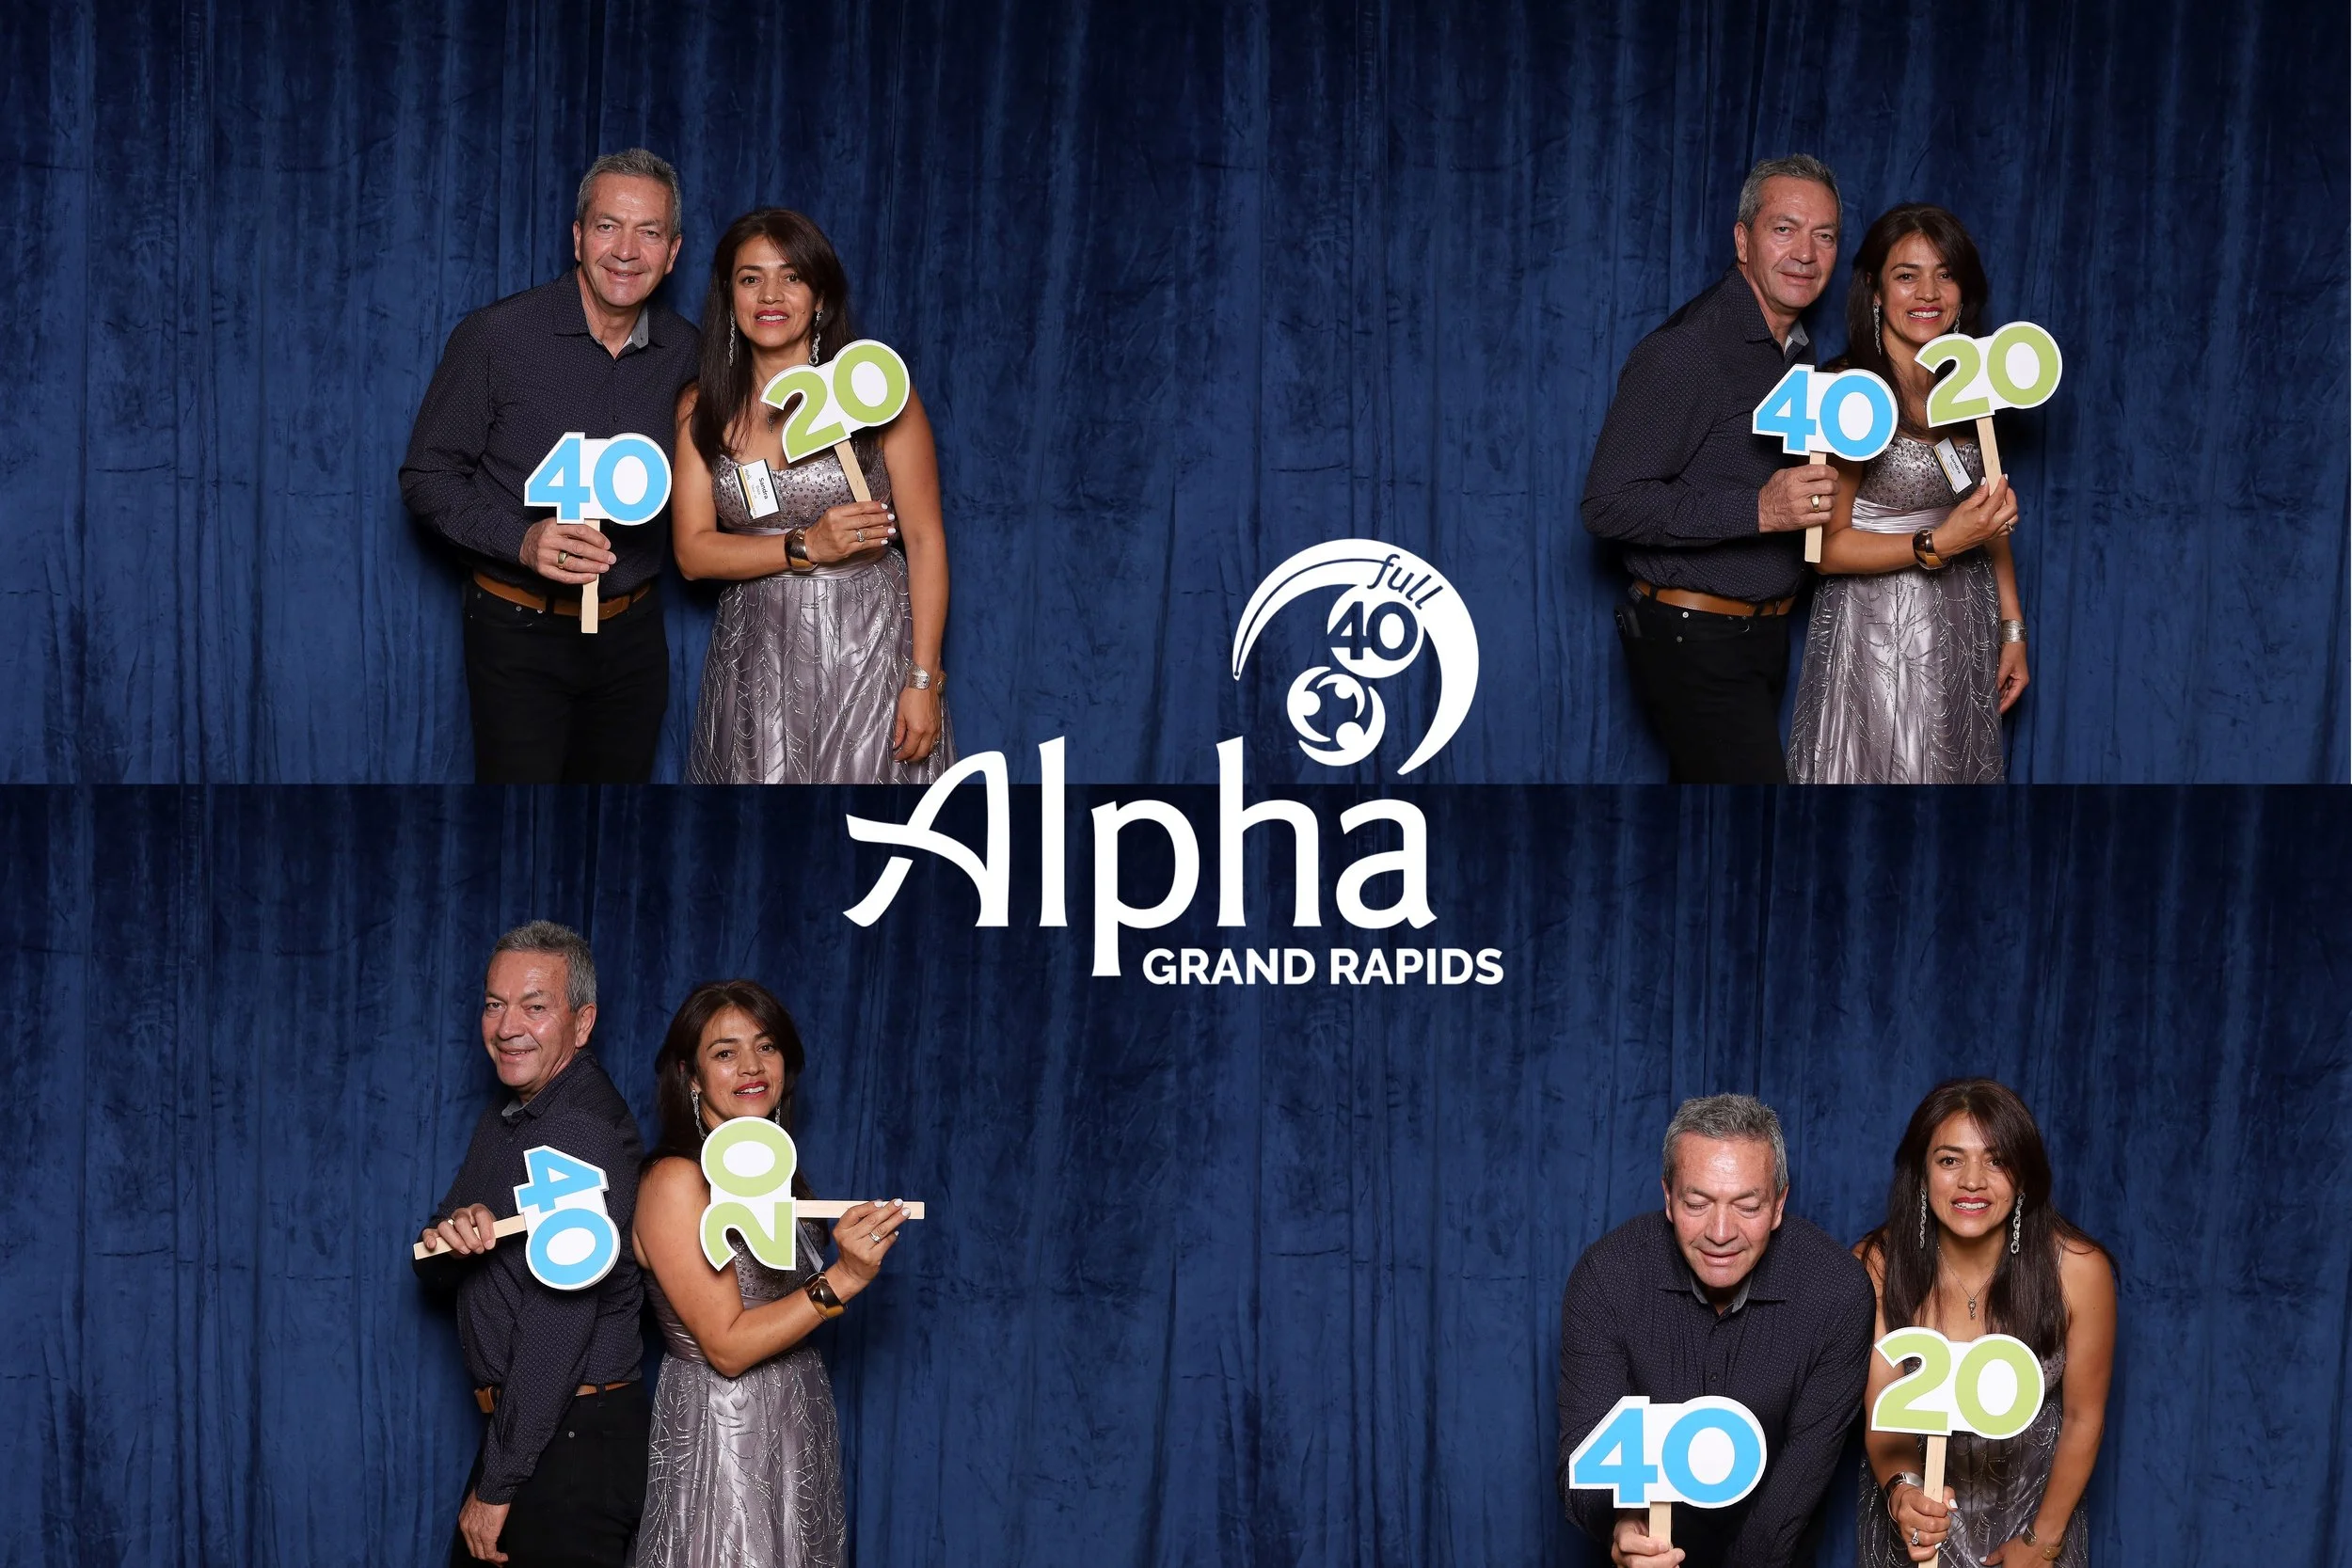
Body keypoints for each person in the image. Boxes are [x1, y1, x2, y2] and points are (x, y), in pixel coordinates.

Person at [401, 149, 698, 783]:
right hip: (518, 633)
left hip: (632, 637)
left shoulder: (687, 353)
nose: (626, 251)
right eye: (608, 226)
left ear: (672, 253)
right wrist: (521, 539)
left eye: (649, 232)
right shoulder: (497, 335)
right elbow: (427, 476)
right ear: (578, 236)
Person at [1582, 154, 1846, 783]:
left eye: (1825, 235)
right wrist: (1759, 509)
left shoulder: (1797, 351)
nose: (1806, 253)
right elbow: (1607, 504)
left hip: (1760, 638)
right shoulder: (1688, 349)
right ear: (1743, 240)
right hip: (1693, 635)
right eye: (1784, 229)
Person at [629, 980, 909, 1566]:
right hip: (725, 1432)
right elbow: (727, 1348)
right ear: (690, 1075)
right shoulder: (677, 1181)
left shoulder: (774, 1175)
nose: (752, 1067)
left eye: (766, 1046)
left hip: (796, 1421)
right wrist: (844, 1279)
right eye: (724, 1052)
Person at [672, 209, 953, 783]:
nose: (770, 295)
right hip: (755, 654)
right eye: (750, 278)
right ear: (729, 296)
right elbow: (693, 554)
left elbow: (925, 540)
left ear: (820, 296)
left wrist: (923, 679)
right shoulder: (702, 407)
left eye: (792, 276)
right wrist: (804, 546)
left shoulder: (878, 393)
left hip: (869, 647)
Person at [1557, 1094, 1876, 1568]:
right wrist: (1622, 1523)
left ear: (1779, 1205)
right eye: (1697, 1203)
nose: (1721, 1232)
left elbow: (1793, 1493)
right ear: (1668, 1198)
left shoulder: (1837, 1292)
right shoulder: (1607, 1277)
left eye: (1747, 1206)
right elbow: (1585, 1455)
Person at [415, 922, 648, 1566]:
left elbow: (559, 1326)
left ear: (582, 1022)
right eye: (495, 1003)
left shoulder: (577, 1130)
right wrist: (453, 1240)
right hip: (536, 1431)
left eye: (535, 1006)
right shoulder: (511, 1116)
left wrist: (497, 1483)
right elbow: (429, 1261)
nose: (507, 1026)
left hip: (569, 1440)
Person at [1787, 207, 2028, 783]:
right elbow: (1824, 551)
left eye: (1945, 274)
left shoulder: (1969, 390)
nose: (1928, 293)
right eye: (1906, 275)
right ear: (1874, 290)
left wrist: (2013, 628)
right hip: (1876, 637)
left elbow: (1988, 516)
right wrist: (1938, 543)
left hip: (1964, 626)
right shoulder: (1850, 396)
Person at [1855, 1081, 2114, 1566]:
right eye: (1950, 1160)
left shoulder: (2078, 1270)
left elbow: (2084, 1418)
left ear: (2023, 1175)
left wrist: (2044, 1540)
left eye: (1996, 1161)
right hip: (1916, 1523)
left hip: (2035, 1518)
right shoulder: (1879, 1264)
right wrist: (1904, 1492)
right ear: (1921, 1173)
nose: (1972, 1181)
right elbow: (1881, 1415)